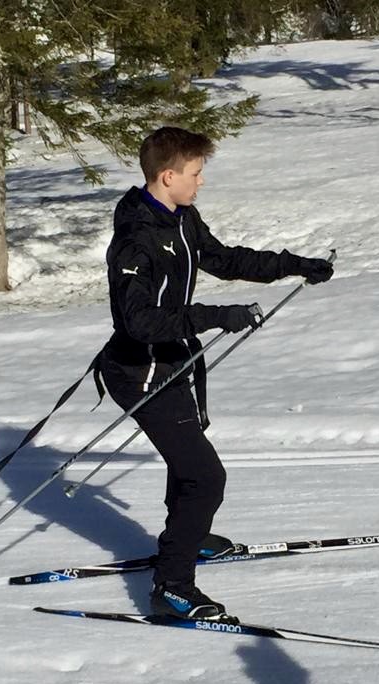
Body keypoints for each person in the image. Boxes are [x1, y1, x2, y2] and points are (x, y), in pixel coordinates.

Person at [99, 126, 333, 620]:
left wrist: (295, 265)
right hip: (140, 370)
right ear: (168, 176)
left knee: (189, 464)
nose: (201, 182)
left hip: (175, 359)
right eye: (195, 174)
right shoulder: (135, 240)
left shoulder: (181, 217)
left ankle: (188, 534)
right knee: (205, 477)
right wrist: (213, 316)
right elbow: (136, 321)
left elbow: (223, 259)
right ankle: (173, 586)